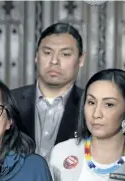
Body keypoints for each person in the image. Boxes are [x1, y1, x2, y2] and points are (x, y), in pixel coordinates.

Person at [11, 22, 85, 160]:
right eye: (47, 53)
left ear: (80, 60)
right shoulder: (10, 101)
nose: (54, 61)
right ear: (36, 56)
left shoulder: (89, 106)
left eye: (65, 54)